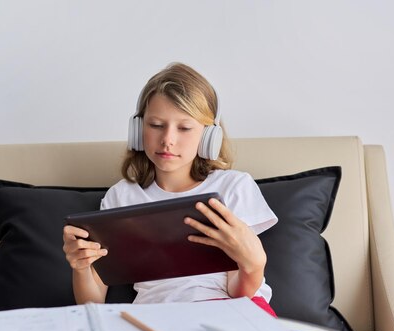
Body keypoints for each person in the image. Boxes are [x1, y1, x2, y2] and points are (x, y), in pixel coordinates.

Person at [63, 62, 278, 315]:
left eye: (185, 128)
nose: (168, 140)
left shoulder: (233, 187)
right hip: (156, 317)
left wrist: (254, 265)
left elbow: (240, 293)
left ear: (210, 137)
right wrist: (81, 267)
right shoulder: (121, 197)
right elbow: (92, 305)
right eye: (155, 125)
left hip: (230, 309)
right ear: (138, 128)